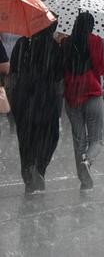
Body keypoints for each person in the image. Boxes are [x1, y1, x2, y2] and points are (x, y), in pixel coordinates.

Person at [9, 23, 64, 193]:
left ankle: (28, 172)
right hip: (45, 99)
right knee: (50, 135)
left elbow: (13, 71)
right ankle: (40, 166)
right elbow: (59, 76)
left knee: (26, 139)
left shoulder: (21, 44)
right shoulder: (54, 46)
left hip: (22, 99)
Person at [62, 12, 104, 190]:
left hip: (72, 96)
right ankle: (87, 161)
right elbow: (101, 68)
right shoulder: (96, 41)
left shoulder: (66, 43)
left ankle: (84, 181)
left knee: (78, 140)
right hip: (93, 92)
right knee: (96, 140)